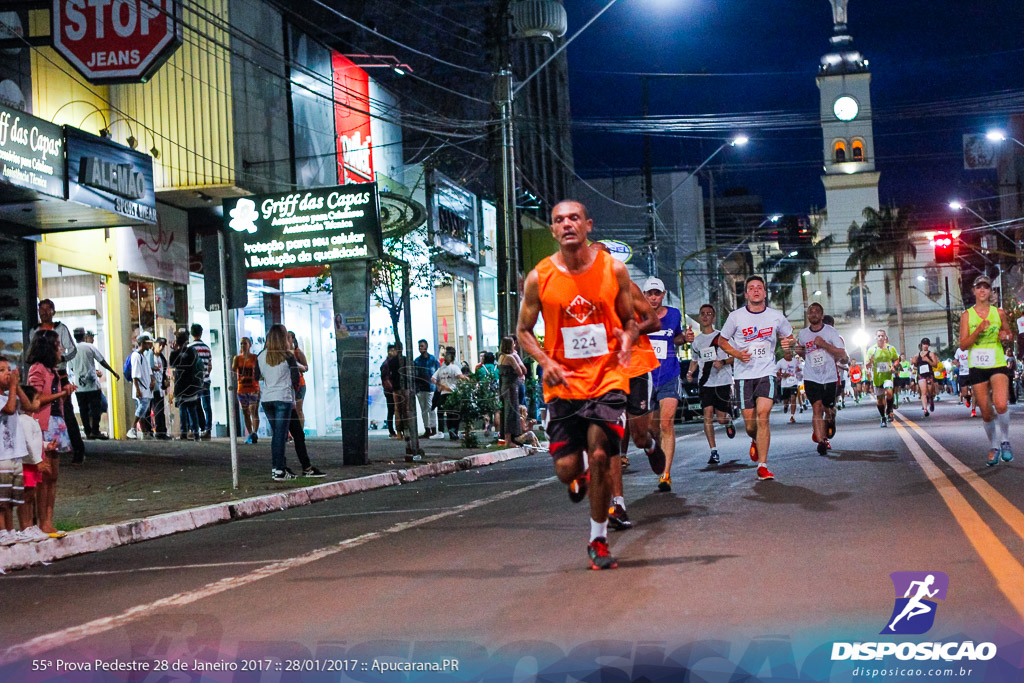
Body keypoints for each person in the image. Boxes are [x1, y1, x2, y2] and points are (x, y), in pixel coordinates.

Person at [516, 199, 638, 570]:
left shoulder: (613, 270)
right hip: (564, 384)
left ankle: (598, 540)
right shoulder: (540, 277)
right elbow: (523, 331)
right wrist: (545, 361)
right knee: (567, 470)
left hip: (607, 378)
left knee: (602, 454)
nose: (566, 224)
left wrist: (628, 340)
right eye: (558, 220)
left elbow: (632, 321)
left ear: (588, 225)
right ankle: (580, 473)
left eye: (573, 218)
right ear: (552, 230)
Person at [720, 275, 796, 481]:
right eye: (751, 288)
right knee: (750, 424)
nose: (755, 291)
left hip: (766, 372)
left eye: (759, 288)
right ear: (746, 294)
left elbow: (789, 337)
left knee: (763, 415)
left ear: (764, 293)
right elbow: (722, 340)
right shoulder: (736, 317)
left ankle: (763, 465)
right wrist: (737, 354)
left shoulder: (776, 316)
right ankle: (755, 440)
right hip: (744, 375)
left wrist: (788, 344)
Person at [959, 275, 1014, 466]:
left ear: (990, 292)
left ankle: (1005, 441)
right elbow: (963, 345)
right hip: (977, 366)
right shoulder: (967, 315)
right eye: (979, 287)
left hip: (997, 362)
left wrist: (1005, 335)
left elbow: (1009, 334)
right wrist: (978, 331)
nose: (982, 291)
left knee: (1000, 404)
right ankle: (994, 445)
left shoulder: (998, 313)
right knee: (985, 411)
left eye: (986, 288)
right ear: (974, 291)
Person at [26, 330, 75, 537]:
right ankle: (42, 522)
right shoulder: (37, 370)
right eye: (57, 344)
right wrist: (62, 393)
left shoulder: (53, 371)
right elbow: (34, 399)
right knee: (43, 476)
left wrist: (64, 392)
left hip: (57, 422)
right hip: (43, 423)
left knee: (53, 476)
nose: (61, 348)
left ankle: (49, 520)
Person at [644, 277, 690, 492]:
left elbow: (676, 338)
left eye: (657, 293)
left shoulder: (673, 314)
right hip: (645, 377)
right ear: (644, 296)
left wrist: (686, 337)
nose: (653, 297)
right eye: (650, 294)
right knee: (651, 429)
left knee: (666, 424)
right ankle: (655, 452)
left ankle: (666, 474)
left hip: (669, 374)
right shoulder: (638, 316)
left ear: (662, 295)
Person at [29, 299, 85, 463]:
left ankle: (77, 449)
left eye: (47, 309)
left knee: (66, 412)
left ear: (53, 311)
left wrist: (61, 359)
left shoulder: (61, 328)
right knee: (41, 411)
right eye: (41, 309)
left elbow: (72, 350)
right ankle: (45, 451)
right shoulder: (34, 331)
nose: (44, 312)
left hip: (59, 373)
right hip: (42, 373)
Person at [686, 303, 738, 467]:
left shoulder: (722, 337)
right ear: (700, 317)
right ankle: (713, 451)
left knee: (721, 419)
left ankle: (728, 421)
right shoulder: (696, 341)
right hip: (706, 383)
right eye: (703, 313)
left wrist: (722, 362)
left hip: (722, 382)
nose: (706, 316)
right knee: (707, 415)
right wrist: (689, 373)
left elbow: (735, 356)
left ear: (713, 317)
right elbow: (695, 361)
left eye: (709, 313)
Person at [797, 303, 848, 455]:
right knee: (816, 407)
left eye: (817, 312)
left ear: (821, 315)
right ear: (808, 315)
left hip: (829, 377)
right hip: (811, 376)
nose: (813, 314)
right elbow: (802, 352)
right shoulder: (803, 334)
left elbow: (842, 353)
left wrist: (824, 345)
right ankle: (821, 442)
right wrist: (798, 350)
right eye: (811, 312)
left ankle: (830, 420)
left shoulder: (831, 332)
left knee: (828, 409)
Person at [255, 324, 301, 480]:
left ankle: (280, 467)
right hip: (283, 398)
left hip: (267, 399)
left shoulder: (261, 356)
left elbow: (256, 376)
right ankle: (279, 469)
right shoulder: (288, 356)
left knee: (278, 435)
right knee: (280, 436)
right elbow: (296, 379)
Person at [66, 327, 119, 440]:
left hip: (79, 387)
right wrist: (113, 372)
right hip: (92, 385)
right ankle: (95, 430)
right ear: (84, 336)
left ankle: (87, 431)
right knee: (96, 408)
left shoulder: (71, 350)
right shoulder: (89, 347)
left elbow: (70, 368)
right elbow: (102, 361)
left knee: (83, 409)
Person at [170, 330, 203, 441]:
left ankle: (184, 433)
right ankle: (195, 433)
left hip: (181, 384)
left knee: (183, 409)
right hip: (190, 385)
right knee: (191, 409)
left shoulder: (179, 352)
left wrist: (175, 351)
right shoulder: (192, 351)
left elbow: (172, 364)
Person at [865, 329, 900, 427]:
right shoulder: (872, 350)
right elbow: (867, 365)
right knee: (880, 400)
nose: (880, 338)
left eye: (882, 336)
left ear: (885, 337)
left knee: (889, 392)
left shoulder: (890, 348)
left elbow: (897, 360)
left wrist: (893, 366)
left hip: (888, 376)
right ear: (875, 337)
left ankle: (889, 410)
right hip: (877, 377)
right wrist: (870, 361)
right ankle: (883, 417)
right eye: (879, 336)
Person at [497, 336, 525, 446]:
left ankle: (506, 437)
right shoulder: (510, 358)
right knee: (511, 412)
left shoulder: (501, 357)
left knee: (505, 411)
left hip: (503, 386)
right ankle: (509, 440)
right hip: (512, 387)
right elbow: (520, 372)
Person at [431, 349, 465, 440]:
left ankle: (447, 431)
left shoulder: (441, 369)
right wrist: (469, 379)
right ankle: (454, 430)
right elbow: (460, 376)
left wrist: (439, 385)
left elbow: (433, 379)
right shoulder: (454, 367)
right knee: (455, 413)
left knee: (445, 413)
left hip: (443, 394)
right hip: (453, 393)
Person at [233, 337, 261, 443]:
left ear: (250, 345)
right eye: (241, 344)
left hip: (254, 388)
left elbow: (259, 370)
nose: (243, 346)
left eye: (245, 343)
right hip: (242, 389)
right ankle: (250, 433)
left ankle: (255, 432)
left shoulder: (255, 358)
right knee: (245, 412)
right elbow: (232, 369)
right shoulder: (237, 358)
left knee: (253, 410)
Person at [126, 334, 155, 439]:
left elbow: (148, 371)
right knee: (141, 408)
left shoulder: (142, 356)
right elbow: (135, 375)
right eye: (148, 343)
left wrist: (152, 380)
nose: (149, 345)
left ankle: (144, 433)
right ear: (143, 343)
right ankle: (132, 428)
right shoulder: (136, 356)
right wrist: (138, 389)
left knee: (143, 411)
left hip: (145, 388)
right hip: (141, 389)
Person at [188, 323, 213, 439]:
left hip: (194, 381)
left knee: (195, 405)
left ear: (192, 333)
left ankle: (196, 429)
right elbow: (209, 366)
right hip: (206, 380)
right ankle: (208, 430)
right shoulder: (206, 348)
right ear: (201, 333)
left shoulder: (190, 348)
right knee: (207, 405)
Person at [413, 339, 439, 438]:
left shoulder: (432, 359)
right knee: (423, 409)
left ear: (426, 347)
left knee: (431, 408)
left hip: (430, 387)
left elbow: (437, 371)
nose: (420, 348)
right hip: (420, 388)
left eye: (422, 346)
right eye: (419, 346)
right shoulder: (417, 361)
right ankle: (427, 429)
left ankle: (433, 428)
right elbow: (415, 375)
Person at [148, 336, 171, 440]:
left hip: (160, 387)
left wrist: (165, 381)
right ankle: (158, 431)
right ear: (155, 344)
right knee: (156, 409)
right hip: (152, 388)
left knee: (160, 410)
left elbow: (164, 371)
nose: (161, 347)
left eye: (163, 345)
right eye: (159, 345)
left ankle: (162, 431)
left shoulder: (162, 358)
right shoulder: (150, 356)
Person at [287, 331, 310, 429]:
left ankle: (301, 431)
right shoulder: (284, 353)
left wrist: (295, 365)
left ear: (293, 339)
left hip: (299, 384)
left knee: (298, 410)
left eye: (288, 338)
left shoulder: (297, 352)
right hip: (288, 385)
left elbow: (306, 367)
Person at [912, 338, 940, 417]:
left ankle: (931, 399)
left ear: (929, 345)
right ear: (921, 345)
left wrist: (928, 360)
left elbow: (935, 364)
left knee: (930, 391)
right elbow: (915, 365)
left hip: (929, 374)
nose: (925, 346)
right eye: (924, 344)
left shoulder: (931, 354)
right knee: (923, 392)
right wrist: (914, 362)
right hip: (921, 375)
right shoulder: (918, 355)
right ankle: (925, 409)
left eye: (927, 344)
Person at [775, 347, 801, 424]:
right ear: (784, 355)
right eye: (787, 353)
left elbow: (799, 369)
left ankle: (792, 416)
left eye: (790, 353)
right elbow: (776, 372)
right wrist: (782, 375)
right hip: (785, 384)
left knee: (793, 398)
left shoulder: (795, 361)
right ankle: (786, 406)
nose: (789, 355)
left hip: (794, 383)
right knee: (786, 400)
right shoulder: (780, 362)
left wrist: (798, 371)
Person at [380, 344, 398, 438]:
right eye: (391, 350)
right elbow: (385, 379)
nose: (393, 352)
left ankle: (396, 430)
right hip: (390, 391)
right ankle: (391, 430)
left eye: (394, 350)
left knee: (395, 410)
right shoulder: (386, 364)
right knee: (391, 410)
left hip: (393, 390)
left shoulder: (392, 363)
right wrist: (392, 389)